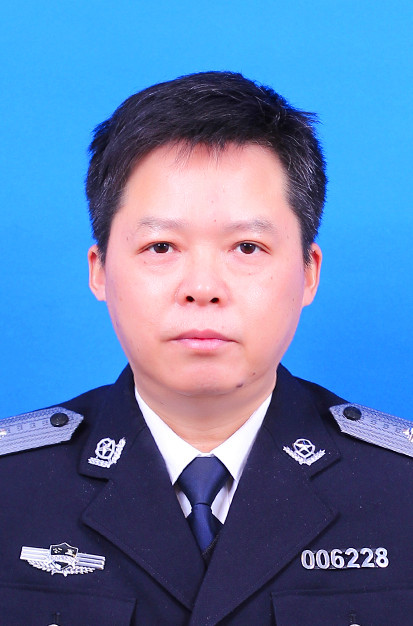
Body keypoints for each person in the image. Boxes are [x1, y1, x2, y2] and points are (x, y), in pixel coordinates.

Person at [1, 71, 412, 626]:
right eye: (161, 246)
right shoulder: (12, 489)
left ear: (308, 273)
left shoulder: (400, 490)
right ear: (99, 271)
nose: (202, 287)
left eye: (247, 246)